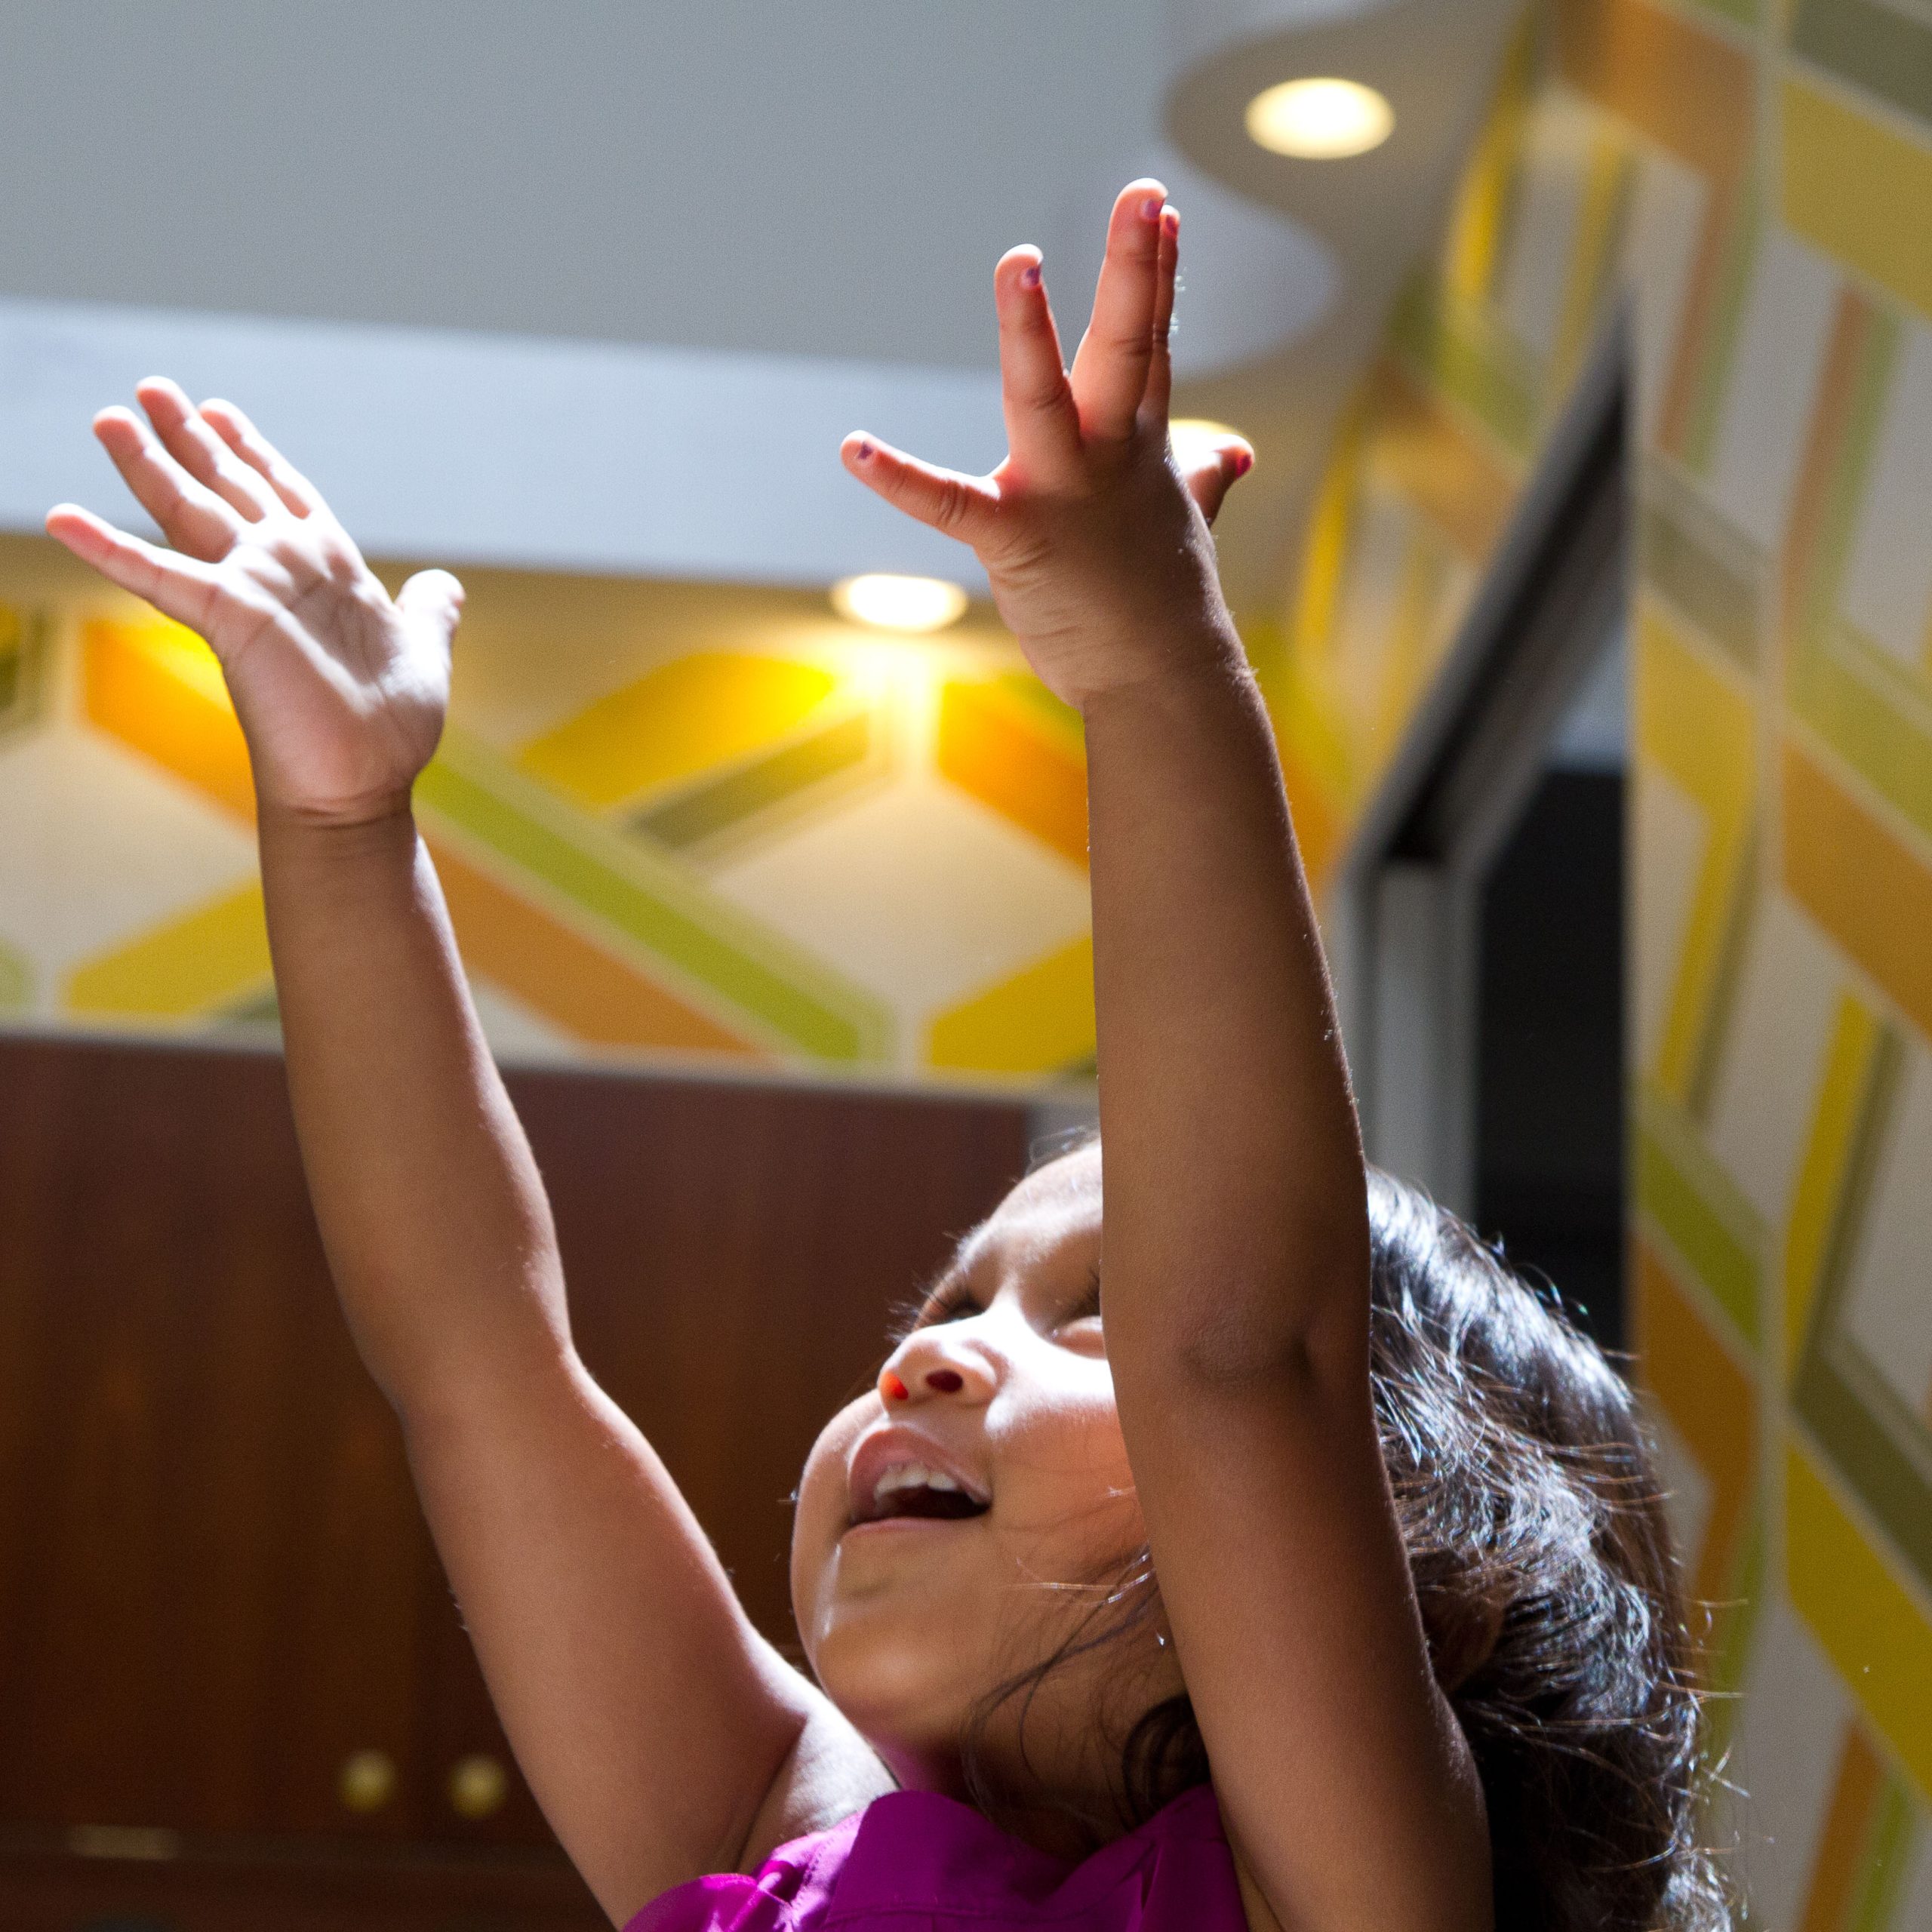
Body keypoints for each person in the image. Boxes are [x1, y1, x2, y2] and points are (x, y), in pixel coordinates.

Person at [46, 182, 1721, 1932]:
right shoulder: (772, 1835)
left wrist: (1158, 669)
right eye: (957, 1298)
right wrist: (343, 822)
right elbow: (483, 1356)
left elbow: (1245, 1350)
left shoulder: (1349, 1893)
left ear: (1419, 1564)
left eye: (1094, 1306)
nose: (927, 1348)